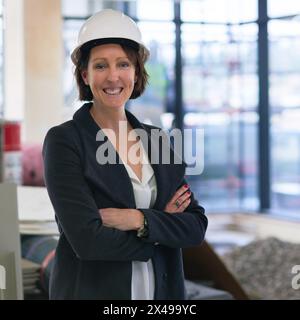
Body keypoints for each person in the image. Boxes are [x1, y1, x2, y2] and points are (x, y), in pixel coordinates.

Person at [43, 9, 207, 300]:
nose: (113, 76)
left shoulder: (156, 140)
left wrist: (138, 220)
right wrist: (161, 228)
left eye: (123, 64)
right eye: (101, 66)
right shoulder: (65, 141)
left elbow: (195, 226)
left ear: (136, 71)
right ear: (85, 74)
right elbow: (88, 241)